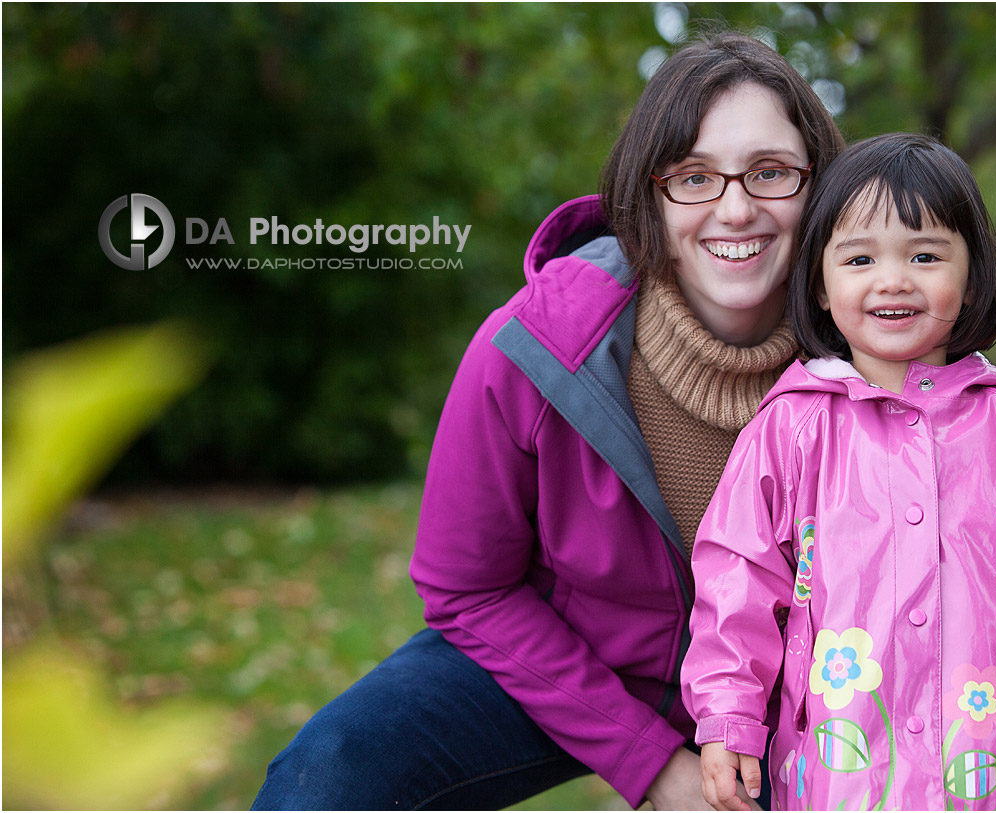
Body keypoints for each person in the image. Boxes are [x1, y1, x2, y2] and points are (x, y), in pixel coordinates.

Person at [252, 30, 844, 810]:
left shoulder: (872, 359)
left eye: (771, 172)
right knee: (327, 779)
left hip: (788, 690)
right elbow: (465, 588)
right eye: (694, 177)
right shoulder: (538, 345)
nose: (736, 208)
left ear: (821, 187)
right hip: (567, 663)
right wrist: (649, 761)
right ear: (650, 196)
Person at [681, 132, 996, 812]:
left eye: (926, 254)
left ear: (971, 278)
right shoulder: (790, 430)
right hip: (841, 778)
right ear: (818, 282)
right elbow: (738, 580)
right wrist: (727, 715)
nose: (893, 278)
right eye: (860, 257)